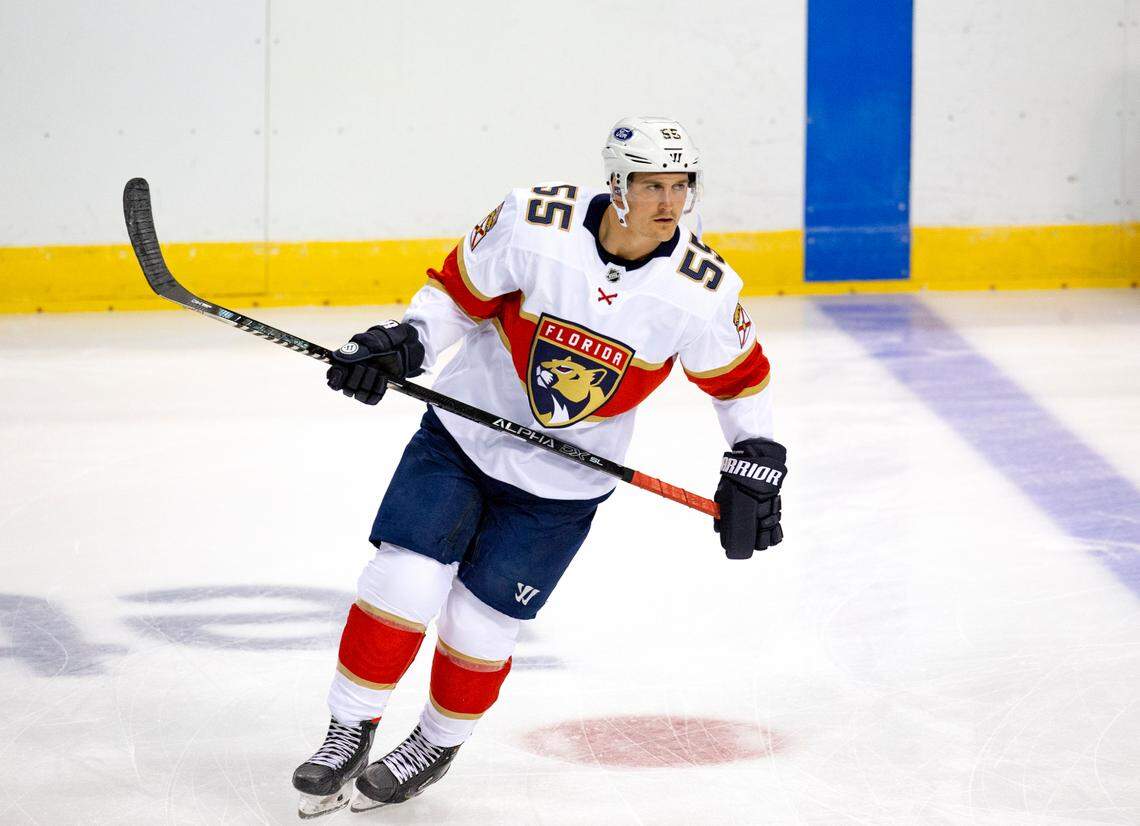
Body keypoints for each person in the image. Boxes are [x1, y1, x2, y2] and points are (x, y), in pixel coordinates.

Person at [291, 116, 787, 818]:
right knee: (405, 579)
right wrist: (403, 344)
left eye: (680, 186)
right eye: (651, 185)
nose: (668, 203)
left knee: (479, 624)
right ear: (617, 185)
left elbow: (741, 381)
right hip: (461, 437)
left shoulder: (700, 289)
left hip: (563, 484)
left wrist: (756, 462)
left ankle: (433, 745)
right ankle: (349, 731)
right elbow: (454, 299)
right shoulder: (533, 221)